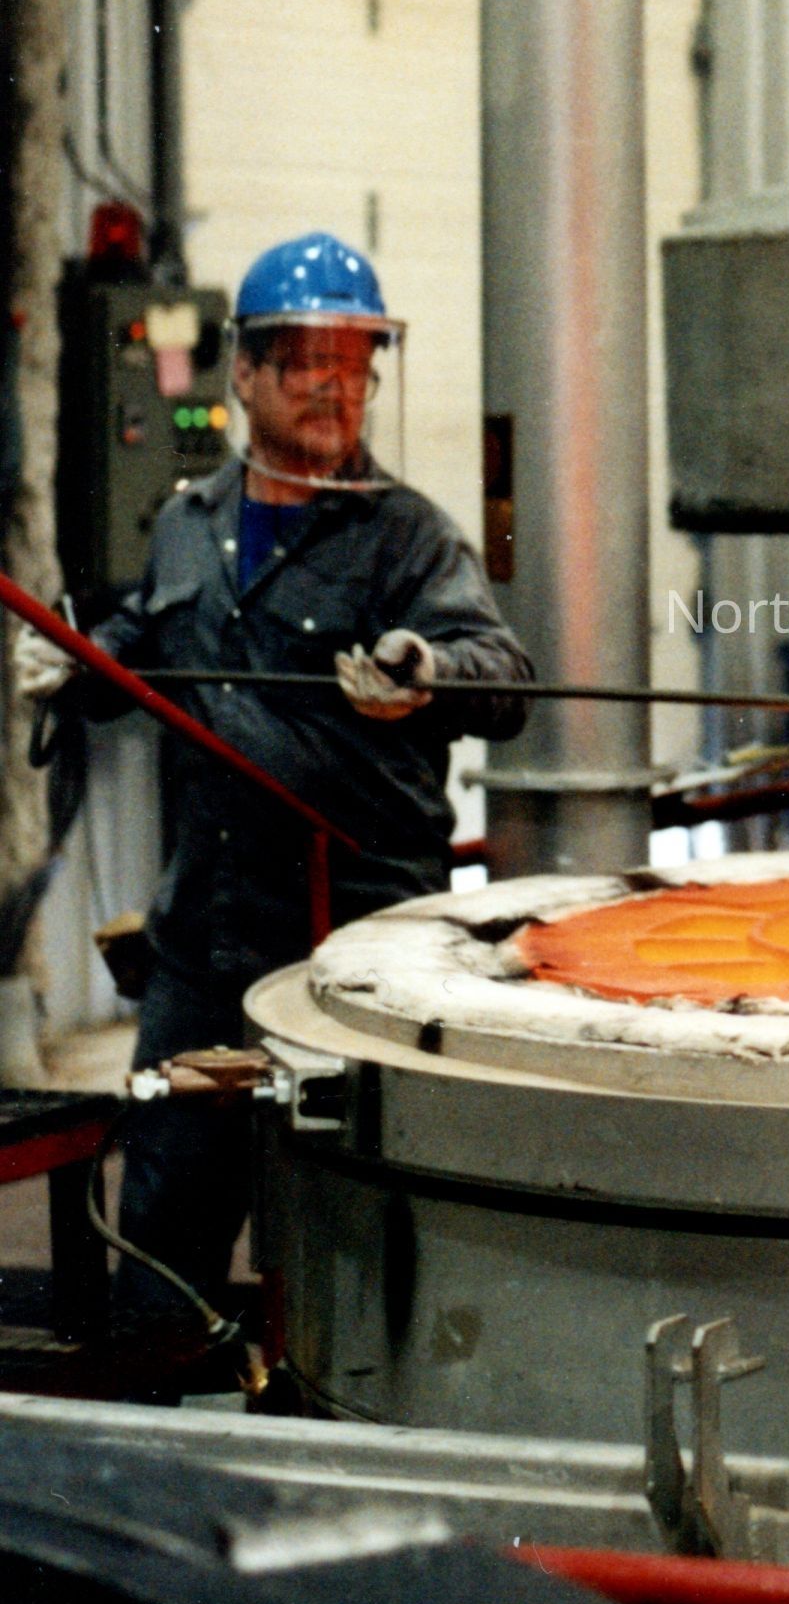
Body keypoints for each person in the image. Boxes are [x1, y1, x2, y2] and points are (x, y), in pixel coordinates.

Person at [17, 231, 533, 1344]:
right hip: (205, 944)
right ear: (243, 372)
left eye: (353, 362)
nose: (332, 385)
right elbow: (149, 647)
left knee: (359, 1250)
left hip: (358, 948)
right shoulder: (187, 525)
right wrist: (75, 665)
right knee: (165, 1235)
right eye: (304, 360)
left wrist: (427, 668)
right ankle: (164, 1421)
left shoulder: (407, 536)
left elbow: (505, 676)